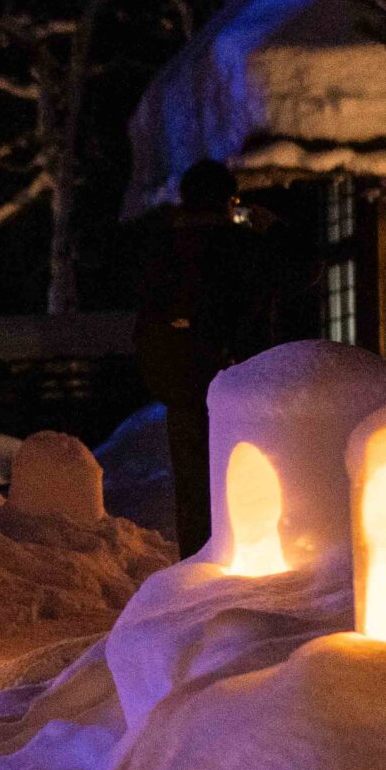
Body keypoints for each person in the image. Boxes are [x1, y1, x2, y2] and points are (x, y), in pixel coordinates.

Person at [134, 159, 279, 556]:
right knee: (244, 479)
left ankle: (197, 565)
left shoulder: (165, 249)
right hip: (240, 381)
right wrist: (271, 230)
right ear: (227, 200)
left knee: (194, 487)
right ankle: (239, 562)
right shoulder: (242, 246)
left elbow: (147, 318)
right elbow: (303, 270)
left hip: (182, 383)